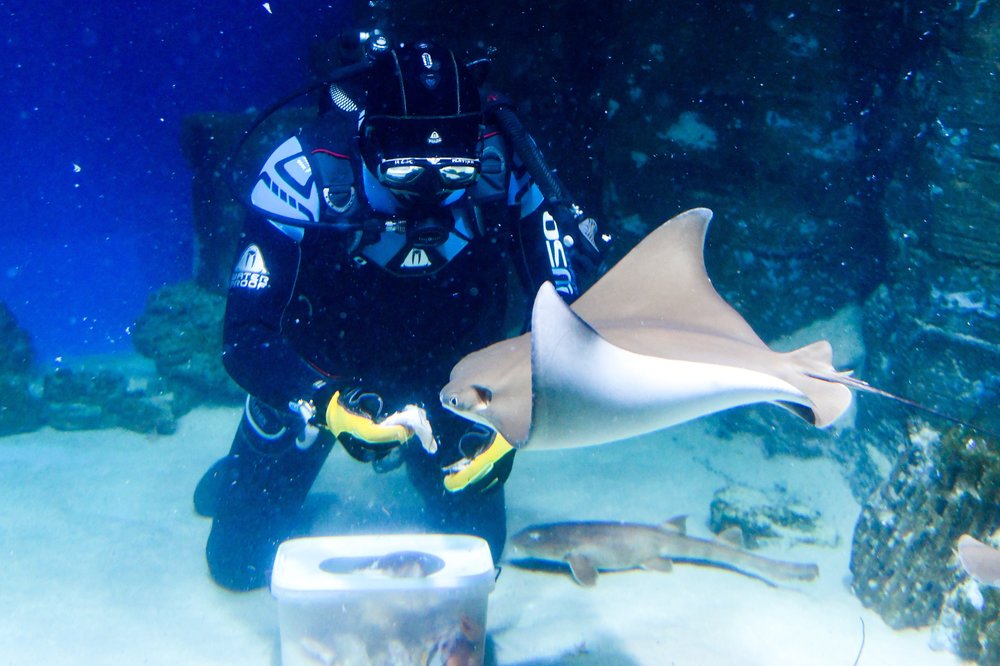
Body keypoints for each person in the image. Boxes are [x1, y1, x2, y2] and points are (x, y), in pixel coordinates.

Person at [193, 35, 602, 591]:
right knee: (236, 565)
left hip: (456, 381)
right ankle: (260, 453)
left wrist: (518, 417)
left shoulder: (507, 161)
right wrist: (322, 403)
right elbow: (245, 335)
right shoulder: (303, 171)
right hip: (321, 367)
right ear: (368, 138)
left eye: (454, 173)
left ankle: (415, 456)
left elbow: (563, 317)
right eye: (407, 173)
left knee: (479, 558)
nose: (430, 192)